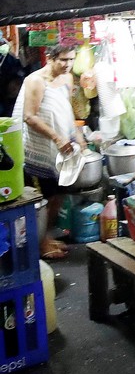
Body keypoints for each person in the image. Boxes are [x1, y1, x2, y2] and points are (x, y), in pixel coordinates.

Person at [10, 43, 86, 259]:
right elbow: (29, 116)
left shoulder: (67, 78)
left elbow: (66, 108)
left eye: (71, 60)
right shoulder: (35, 80)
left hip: (60, 147)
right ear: (51, 59)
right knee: (42, 199)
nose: (68, 65)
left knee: (58, 195)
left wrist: (77, 135)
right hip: (37, 149)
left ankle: (46, 237)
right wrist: (56, 137)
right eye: (63, 60)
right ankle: (40, 245)